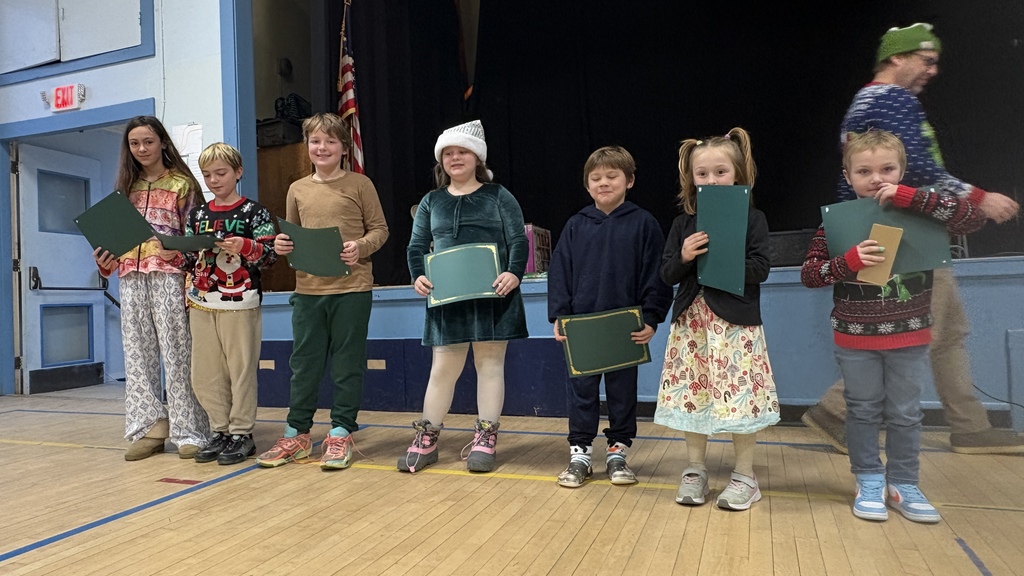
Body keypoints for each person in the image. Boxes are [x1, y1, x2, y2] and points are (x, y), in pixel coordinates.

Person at [801, 22, 1024, 455]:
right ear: (896, 58)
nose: (932, 70)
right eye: (927, 60)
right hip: (903, 228)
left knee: (947, 329)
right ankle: (836, 411)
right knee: (922, 327)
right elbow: (916, 166)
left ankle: (968, 424)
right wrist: (980, 198)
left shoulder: (866, 101)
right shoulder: (891, 99)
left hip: (885, 227)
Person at [802, 130, 986, 522]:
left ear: (902, 170)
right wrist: (848, 262)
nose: (876, 178)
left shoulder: (921, 210)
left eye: (887, 168)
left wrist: (912, 198)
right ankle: (868, 479)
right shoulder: (838, 223)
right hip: (855, 336)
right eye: (864, 171)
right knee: (863, 410)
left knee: (906, 412)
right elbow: (810, 274)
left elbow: (971, 216)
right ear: (848, 176)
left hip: (911, 332)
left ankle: (904, 482)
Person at [255, 112, 389, 470]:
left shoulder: (361, 185)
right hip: (309, 291)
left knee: (347, 365)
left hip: (352, 288)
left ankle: (341, 431)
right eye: (315, 141)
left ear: (344, 147)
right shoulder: (297, 189)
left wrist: (360, 247)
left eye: (330, 141)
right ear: (307, 147)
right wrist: (282, 245)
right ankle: (297, 433)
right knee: (304, 365)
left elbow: (380, 230)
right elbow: (292, 236)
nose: (322, 147)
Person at [655, 128, 779, 510]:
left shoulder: (753, 218)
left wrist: (723, 258)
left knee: (741, 399)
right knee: (694, 396)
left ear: (738, 174)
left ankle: (745, 475)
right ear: (690, 178)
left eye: (721, 172)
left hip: (735, 327)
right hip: (692, 326)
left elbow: (761, 268)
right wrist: (685, 257)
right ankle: (695, 470)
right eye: (702, 173)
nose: (711, 179)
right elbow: (666, 275)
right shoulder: (682, 224)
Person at [399, 120, 529, 474]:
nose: (455, 158)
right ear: (442, 161)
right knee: (442, 369)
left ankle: (486, 438)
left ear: (477, 158)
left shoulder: (499, 195)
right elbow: (415, 247)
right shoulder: (431, 201)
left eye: (463, 152)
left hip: (493, 295)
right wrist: (419, 275)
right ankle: (427, 439)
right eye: (449, 153)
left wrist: (513, 273)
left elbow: (519, 241)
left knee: (489, 366)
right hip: (448, 299)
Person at [548, 145, 672, 488]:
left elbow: (656, 275)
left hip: (624, 327)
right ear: (587, 185)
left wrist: (651, 317)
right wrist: (559, 316)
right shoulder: (575, 226)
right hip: (582, 328)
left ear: (629, 181)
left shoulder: (644, 224)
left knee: (622, 392)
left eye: (612, 176)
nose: (604, 183)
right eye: (596, 178)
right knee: (581, 391)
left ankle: (618, 453)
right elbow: (559, 273)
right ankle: (581, 454)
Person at [92, 116, 210, 461]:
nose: (141, 149)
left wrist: (183, 252)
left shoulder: (182, 184)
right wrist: (104, 260)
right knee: (137, 355)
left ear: (161, 142)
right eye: (134, 143)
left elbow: (198, 239)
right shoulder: (124, 188)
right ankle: (149, 429)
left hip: (169, 276)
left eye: (148, 141)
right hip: (130, 275)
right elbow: (110, 246)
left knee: (177, 353)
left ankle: (190, 429)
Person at [181, 143, 277, 465]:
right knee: (205, 373)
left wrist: (245, 245)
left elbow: (270, 254)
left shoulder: (255, 212)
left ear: (238, 172)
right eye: (207, 175)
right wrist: (174, 253)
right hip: (202, 301)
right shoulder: (198, 215)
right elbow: (188, 258)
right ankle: (220, 429)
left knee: (241, 369)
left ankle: (241, 433)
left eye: (221, 173)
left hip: (241, 302)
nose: (213, 180)